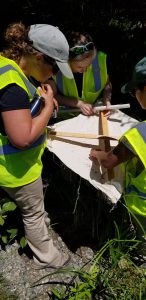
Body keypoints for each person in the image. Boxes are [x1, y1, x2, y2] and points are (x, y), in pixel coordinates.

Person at [0, 22, 73, 269]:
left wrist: (43, 97)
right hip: (17, 170)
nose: (54, 75)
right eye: (53, 67)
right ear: (38, 56)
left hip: (10, 165)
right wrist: (49, 106)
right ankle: (48, 258)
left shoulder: (7, 67)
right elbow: (23, 138)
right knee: (33, 212)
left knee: (33, 210)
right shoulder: (12, 87)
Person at [89, 57, 146, 262]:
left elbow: (109, 161)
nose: (134, 96)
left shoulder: (140, 134)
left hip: (143, 207)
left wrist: (97, 154)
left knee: (143, 239)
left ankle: (141, 259)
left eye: (134, 92)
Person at [52, 31, 112, 116]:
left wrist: (107, 100)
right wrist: (79, 103)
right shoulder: (55, 68)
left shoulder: (100, 59)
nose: (85, 70)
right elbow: (52, 96)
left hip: (94, 113)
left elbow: (107, 83)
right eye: (80, 67)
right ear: (68, 61)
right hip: (67, 117)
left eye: (89, 64)